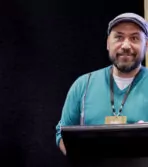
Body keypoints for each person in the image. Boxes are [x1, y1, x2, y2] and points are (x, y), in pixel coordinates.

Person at [55, 13, 148, 155]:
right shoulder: (83, 85)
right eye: (119, 37)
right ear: (107, 43)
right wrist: (86, 165)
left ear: (146, 45)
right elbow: (62, 134)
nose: (126, 45)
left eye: (134, 38)